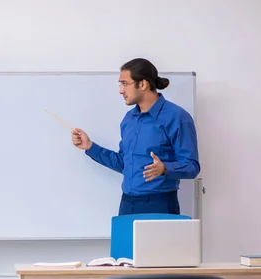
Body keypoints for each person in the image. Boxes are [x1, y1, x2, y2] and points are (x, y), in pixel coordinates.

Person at [72, 58, 200, 215]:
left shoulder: (177, 117)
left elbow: (192, 166)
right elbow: (124, 164)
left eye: (125, 84)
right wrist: (90, 147)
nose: (121, 90)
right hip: (127, 205)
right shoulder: (129, 120)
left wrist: (165, 168)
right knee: (124, 241)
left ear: (143, 84)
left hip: (159, 204)